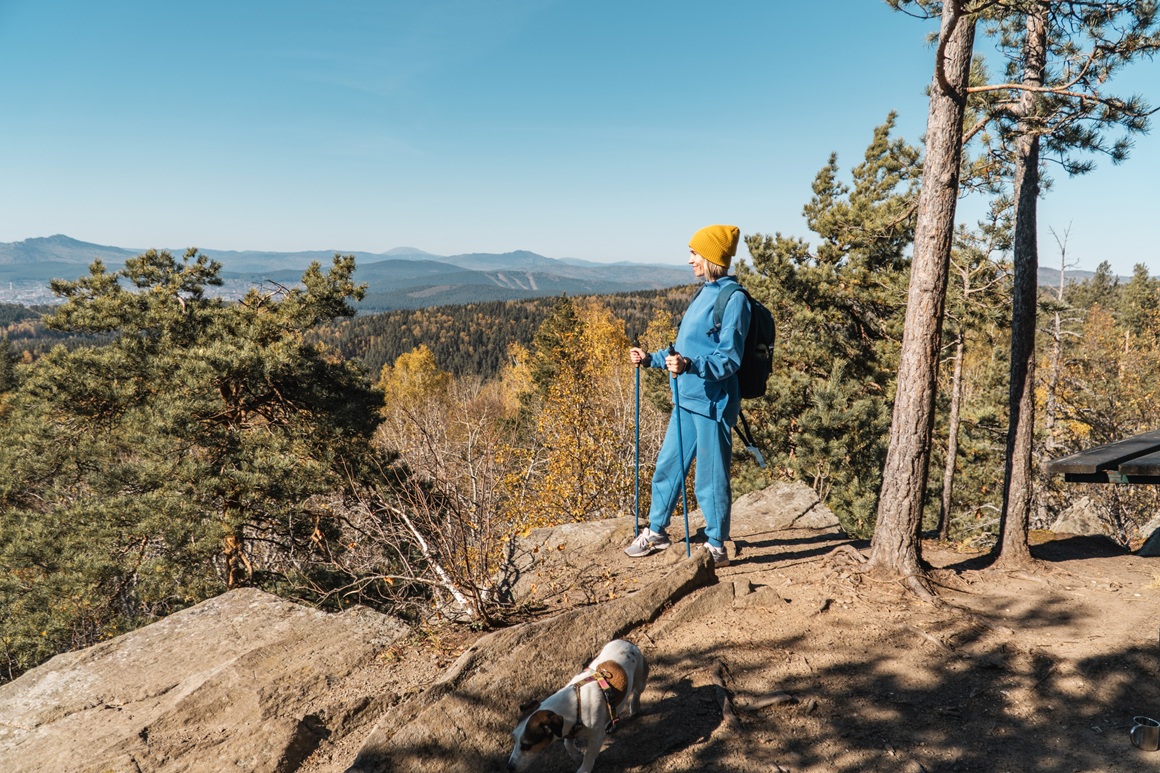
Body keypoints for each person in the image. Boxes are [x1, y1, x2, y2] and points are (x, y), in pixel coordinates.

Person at [624, 224, 750, 567]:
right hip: (686, 397)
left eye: (695, 253)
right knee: (668, 466)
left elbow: (729, 358)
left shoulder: (733, 299)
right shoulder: (705, 293)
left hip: (713, 402)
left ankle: (715, 547)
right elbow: (684, 349)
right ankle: (657, 531)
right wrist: (651, 359)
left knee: (709, 478)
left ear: (711, 257)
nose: (690, 259)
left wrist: (690, 365)